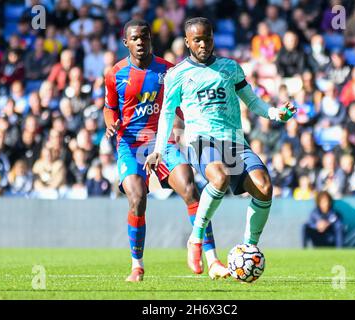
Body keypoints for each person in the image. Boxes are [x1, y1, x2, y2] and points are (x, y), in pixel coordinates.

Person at [145, 17, 296, 275]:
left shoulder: (230, 67)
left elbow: (253, 102)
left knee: (264, 187)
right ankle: (196, 238)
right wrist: (158, 149)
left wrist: (275, 114)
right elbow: (167, 115)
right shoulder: (177, 75)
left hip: (234, 140)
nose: (203, 44)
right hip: (201, 140)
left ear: (213, 38)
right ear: (187, 42)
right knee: (219, 177)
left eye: (207, 38)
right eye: (197, 40)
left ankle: (248, 249)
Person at [103, 19, 227, 282]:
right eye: (135, 38)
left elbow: (182, 105)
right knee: (137, 199)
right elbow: (109, 107)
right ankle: (137, 265)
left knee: (190, 188)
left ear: (151, 39)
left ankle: (212, 258)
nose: (140, 42)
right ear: (126, 42)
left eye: (144, 37)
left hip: (162, 143)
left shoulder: (169, 71)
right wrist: (110, 123)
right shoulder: (115, 74)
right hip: (131, 144)